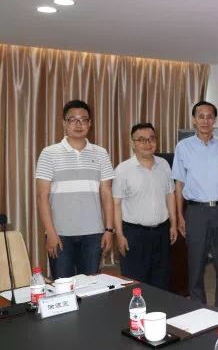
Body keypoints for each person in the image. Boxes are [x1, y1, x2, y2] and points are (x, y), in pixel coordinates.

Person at [35, 99, 115, 279]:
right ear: (64, 123)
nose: (79, 124)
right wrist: (50, 233)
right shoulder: (49, 153)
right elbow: (42, 196)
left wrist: (109, 230)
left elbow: (106, 193)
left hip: (93, 234)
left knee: (91, 286)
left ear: (90, 123)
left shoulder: (101, 153)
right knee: (63, 286)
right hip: (60, 234)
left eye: (83, 120)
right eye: (73, 120)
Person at [171, 101, 218, 310]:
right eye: (201, 116)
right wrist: (180, 216)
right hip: (196, 212)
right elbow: (179, 183)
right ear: (194, 120)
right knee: (195, 265)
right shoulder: (183, 147)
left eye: (209, 116)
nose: (205, 121)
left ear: (215, 120)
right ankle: (197, 310)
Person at [112, 123, 178, 290]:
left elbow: (170, 194)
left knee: (161, 279)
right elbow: (116, 204)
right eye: (142, 140)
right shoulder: (123, 170)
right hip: (134, 234)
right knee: (135, 282)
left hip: (161, 232)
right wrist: (119, 235)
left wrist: (174, 224)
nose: (148, 143)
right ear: (132, 143)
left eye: (151, 139)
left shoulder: (164, 164)